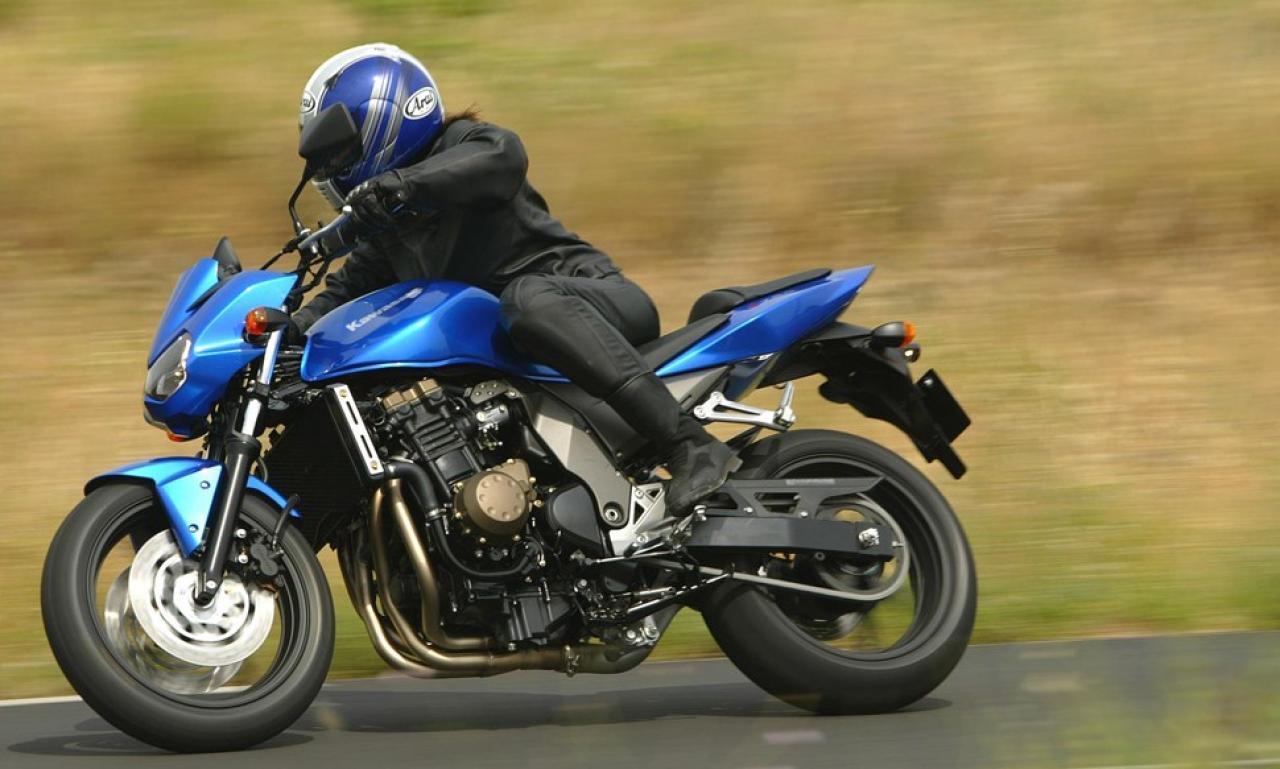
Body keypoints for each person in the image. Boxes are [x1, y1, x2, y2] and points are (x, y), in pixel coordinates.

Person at [291, 43, 735, 513]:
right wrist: (285, 330)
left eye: (340, 154)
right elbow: (342, 294)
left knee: (526, 298)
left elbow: (503, 156)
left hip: (598, 305)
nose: (333, 170)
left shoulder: (465, 148)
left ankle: (691, 445)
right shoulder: (391, 231)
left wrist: (403, 185)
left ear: (384, 116)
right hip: (525, 356)